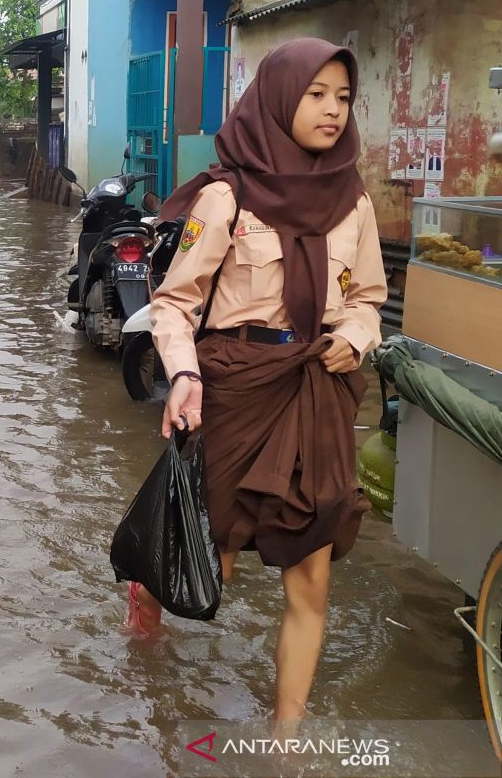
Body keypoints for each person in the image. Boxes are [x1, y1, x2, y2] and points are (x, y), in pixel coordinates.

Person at [139, 39, 387, 730]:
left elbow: (368, 297)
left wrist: (356, 337)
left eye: (342, 97)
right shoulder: (228, 197)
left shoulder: (355, 202)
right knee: (210, 554)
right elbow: (174, 304)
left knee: (311, 578)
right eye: (316, 94)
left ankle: (285, 741)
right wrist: (183, 372)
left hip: (315, 394)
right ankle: (148, 614)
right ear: (280, 97)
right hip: (234, 391)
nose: (333, 110)